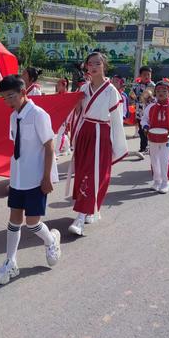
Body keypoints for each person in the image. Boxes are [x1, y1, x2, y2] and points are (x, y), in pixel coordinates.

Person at [0, 75, 61, 285]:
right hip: (18, 177)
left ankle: (51, 241)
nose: (8, 102)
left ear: (24, 93)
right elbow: (18, 147)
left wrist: (47, 177)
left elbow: (49, 147)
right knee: (14, 220)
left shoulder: (39, 115)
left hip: (36, 177)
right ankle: (10, 261)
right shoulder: (14, 116)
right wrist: (13, 176)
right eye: (4, 98)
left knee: (31, 223)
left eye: (11, 97)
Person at [67, 52, 127, 236]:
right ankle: (90, 208)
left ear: (104, 66)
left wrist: (117, 145)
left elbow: (117, 120)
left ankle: (80, 217)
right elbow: (77, 111)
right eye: (90, 63)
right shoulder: (84, 88)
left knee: (93, 174)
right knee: (83, 172)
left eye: (97, 63)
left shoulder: (111, 91)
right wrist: (75, 109)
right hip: (85, 133)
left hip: (101, 135)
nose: (93, 66)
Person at [141, 82, 169, 193]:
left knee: (165, 160)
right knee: (154, 160)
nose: (161, 93)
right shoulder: (151, 107)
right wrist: (145, 126)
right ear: (155, 93)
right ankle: (156, 181)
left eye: (164, 91)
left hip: (168, 138)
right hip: (153, 138)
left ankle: (165, 182)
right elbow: (144, 119)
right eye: (158, 91)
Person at [130, 66, 155, 154]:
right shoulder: (136, 86)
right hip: (139, 112)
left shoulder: (153, 86)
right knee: (141, 131)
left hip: (150, 113)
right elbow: (132, 96)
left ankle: (150, 147)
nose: (147, 76)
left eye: (149, 74)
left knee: (149, 130)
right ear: (140, 75)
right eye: (144, 75)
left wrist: (151, 98)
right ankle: (143, 147)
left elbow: (157, 99)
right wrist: (133, 98)